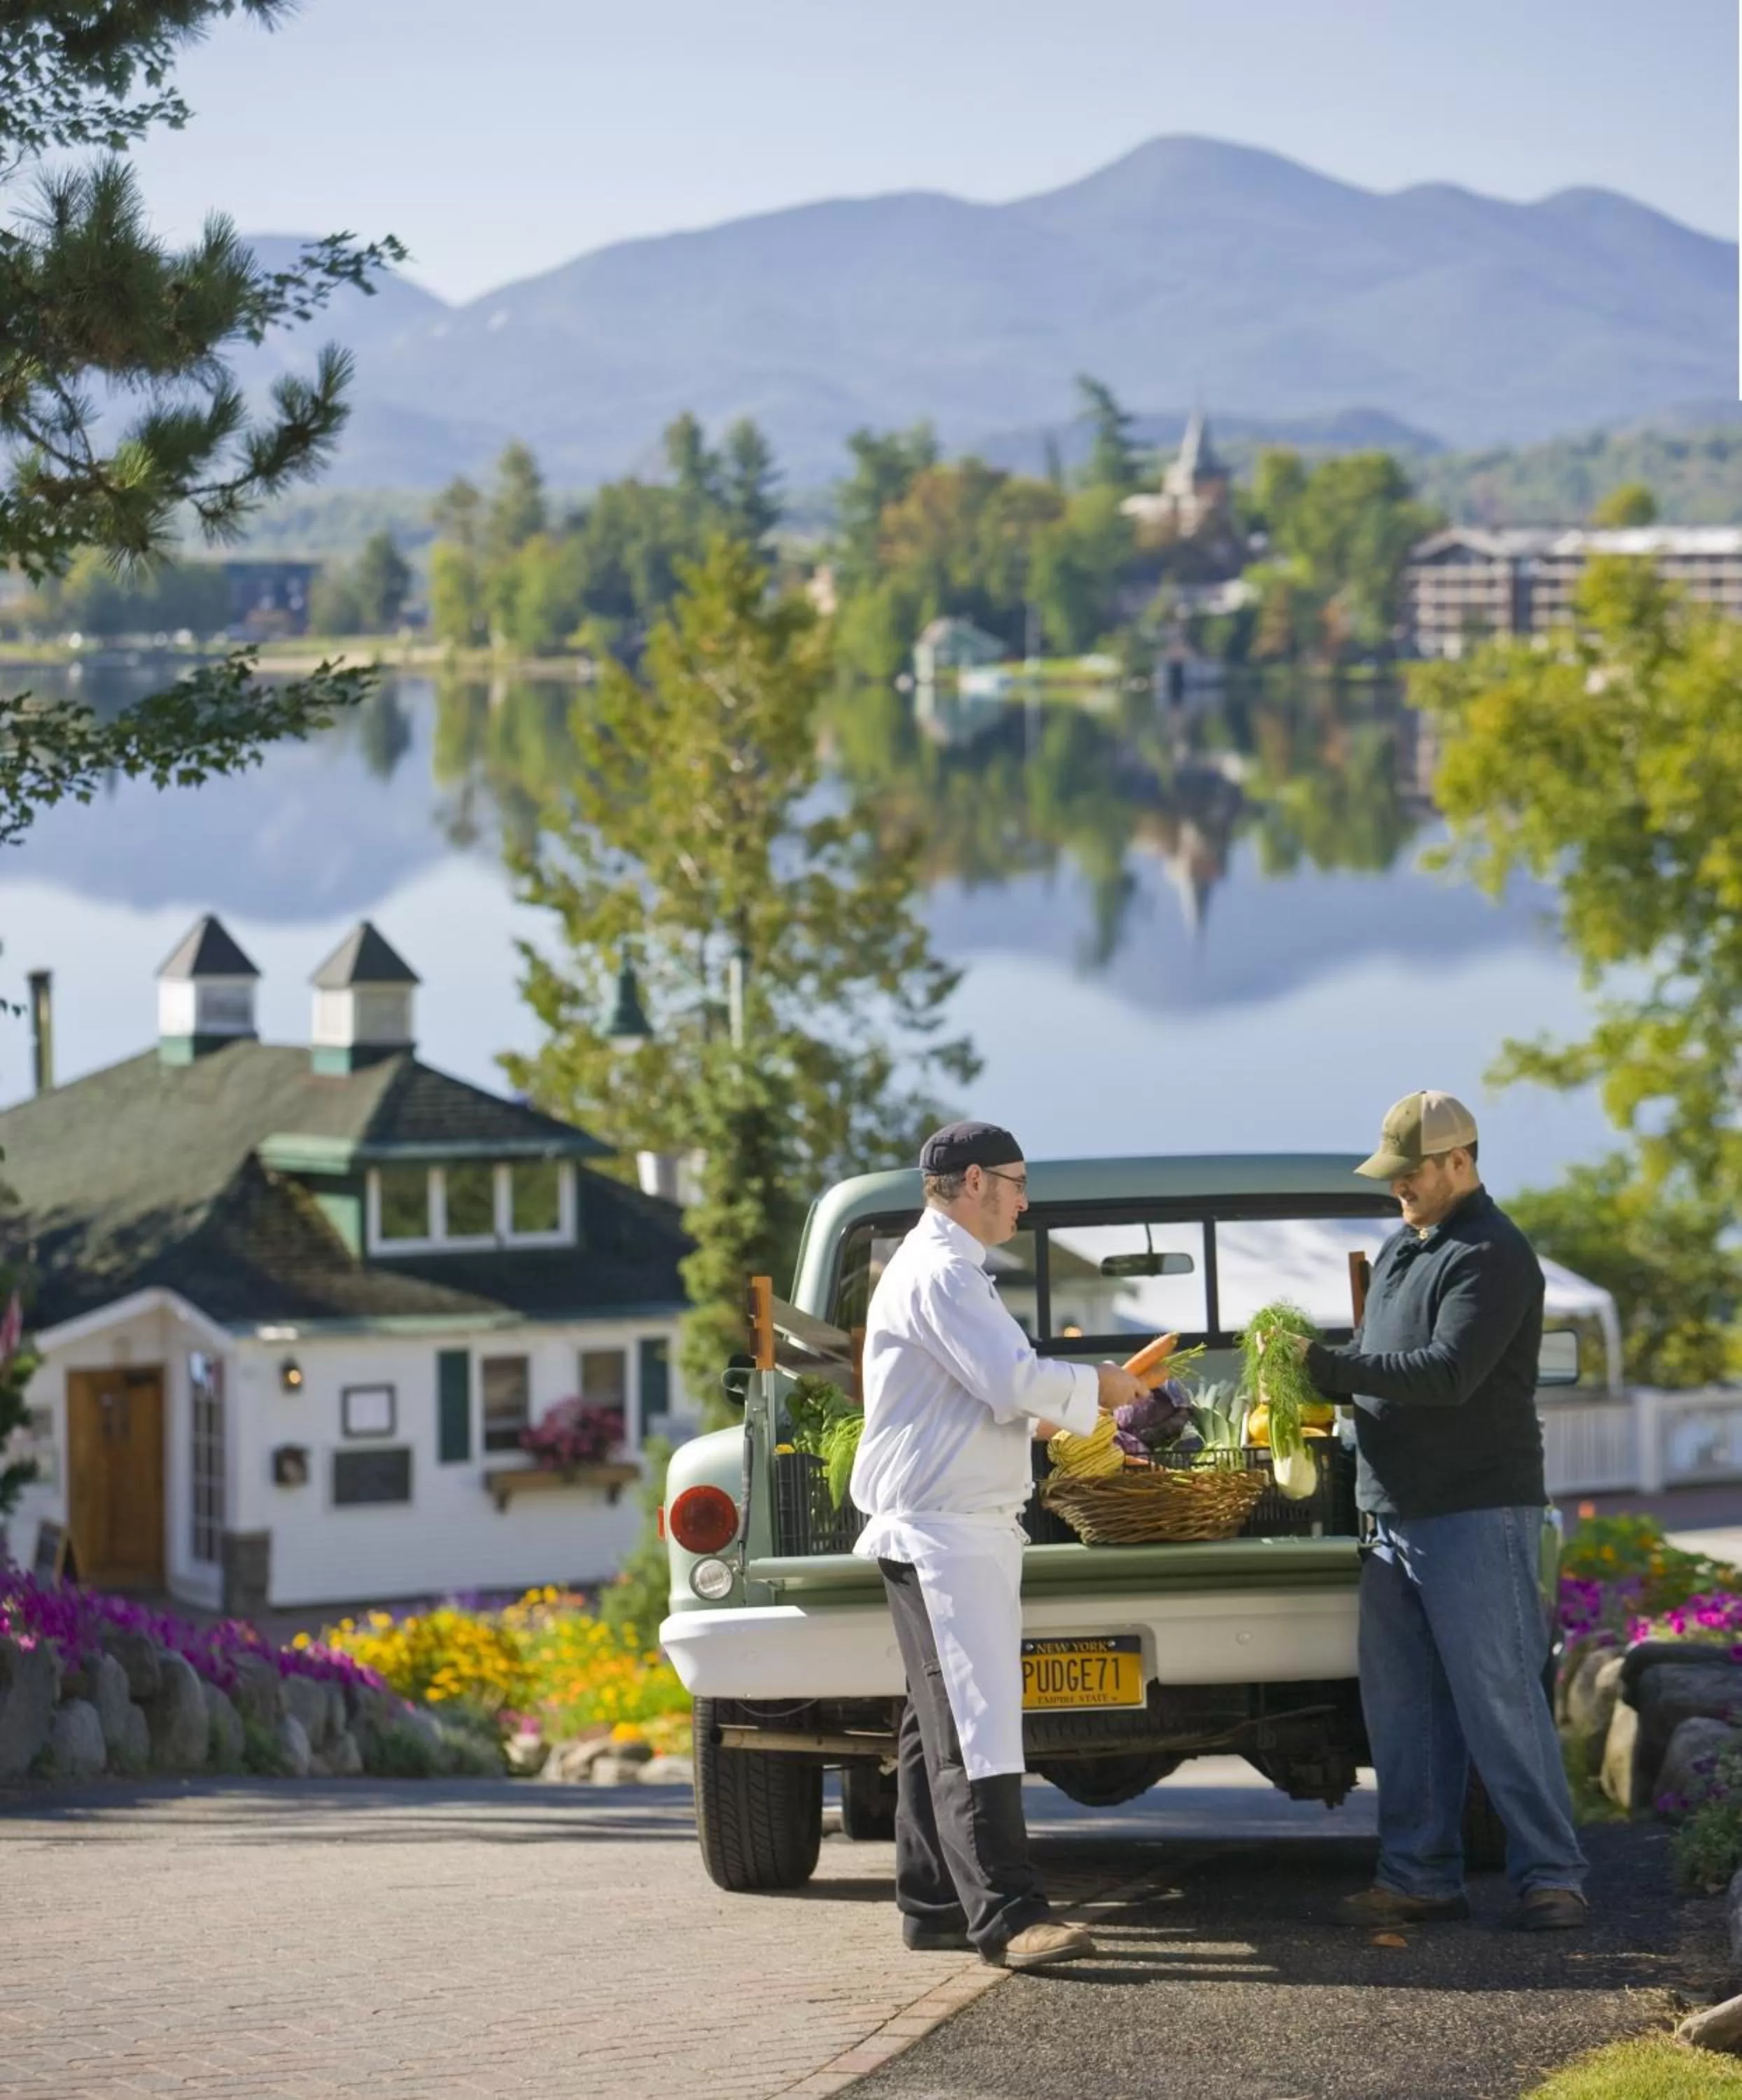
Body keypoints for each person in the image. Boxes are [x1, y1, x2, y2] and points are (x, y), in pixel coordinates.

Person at [1274, 1090, 1587, 1931]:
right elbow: (1389, 1370)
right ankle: (1418, 1875)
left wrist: (1330, 1369)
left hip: (1476, 1513)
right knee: (1404, 1712)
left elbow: (1448, 1374)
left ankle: (1553, 1876)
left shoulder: (1492, 1253)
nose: (1398, 1186)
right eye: (1392, 1174)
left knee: (1499, 1700)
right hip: (1394, 1516)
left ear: (1460, 1161)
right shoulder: (1407, 1246)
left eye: (1411, 1172)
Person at [849, 1119, 1150, 1970]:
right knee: (974, 1721)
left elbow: (996, 1392)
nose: (1025, 1200)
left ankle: (933, 1903)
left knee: (931, 1719)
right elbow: (1012, 1380)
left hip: (949, 1523)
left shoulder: (944, 1269)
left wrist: (1063, 1406)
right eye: (1018, 1183)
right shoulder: (943, 1270)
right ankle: (1011, 1917)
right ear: (974, 1181)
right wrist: (1103, 1385)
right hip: (944, 1530)